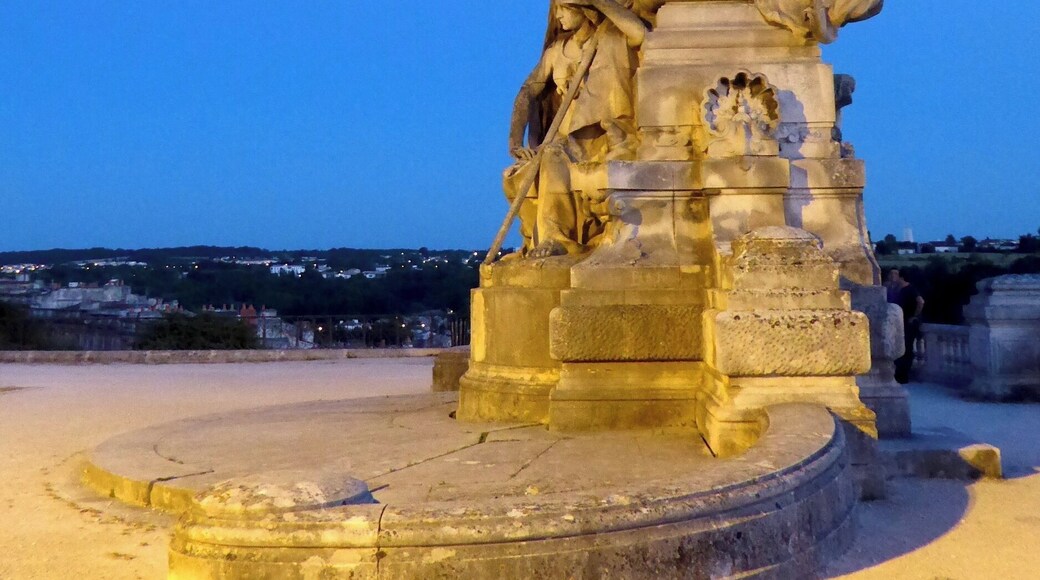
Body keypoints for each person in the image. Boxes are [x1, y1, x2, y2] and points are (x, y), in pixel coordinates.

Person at [504, 0, 652, 258]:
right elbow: (528, 92)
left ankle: (555, 237)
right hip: (564, 138)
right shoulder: (557, 52)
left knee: (552, 156)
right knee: (516, 175)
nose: (558, 17)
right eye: (556, 10)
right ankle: (540, 237)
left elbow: (640, 34)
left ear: (582, 10)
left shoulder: (609, 39)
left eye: (564, 9)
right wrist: (515, 141)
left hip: (597, 136)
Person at [887, 268, 924, 384]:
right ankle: (900, 374)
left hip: (909, 323)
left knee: (907, 349)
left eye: (896, 275)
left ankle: (903, 375)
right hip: (901, 323)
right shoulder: (899, 289)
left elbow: (921, 301)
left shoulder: (910, 289)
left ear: (901, 277)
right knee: (901, 348)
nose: (894, 277)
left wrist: (914, 316)